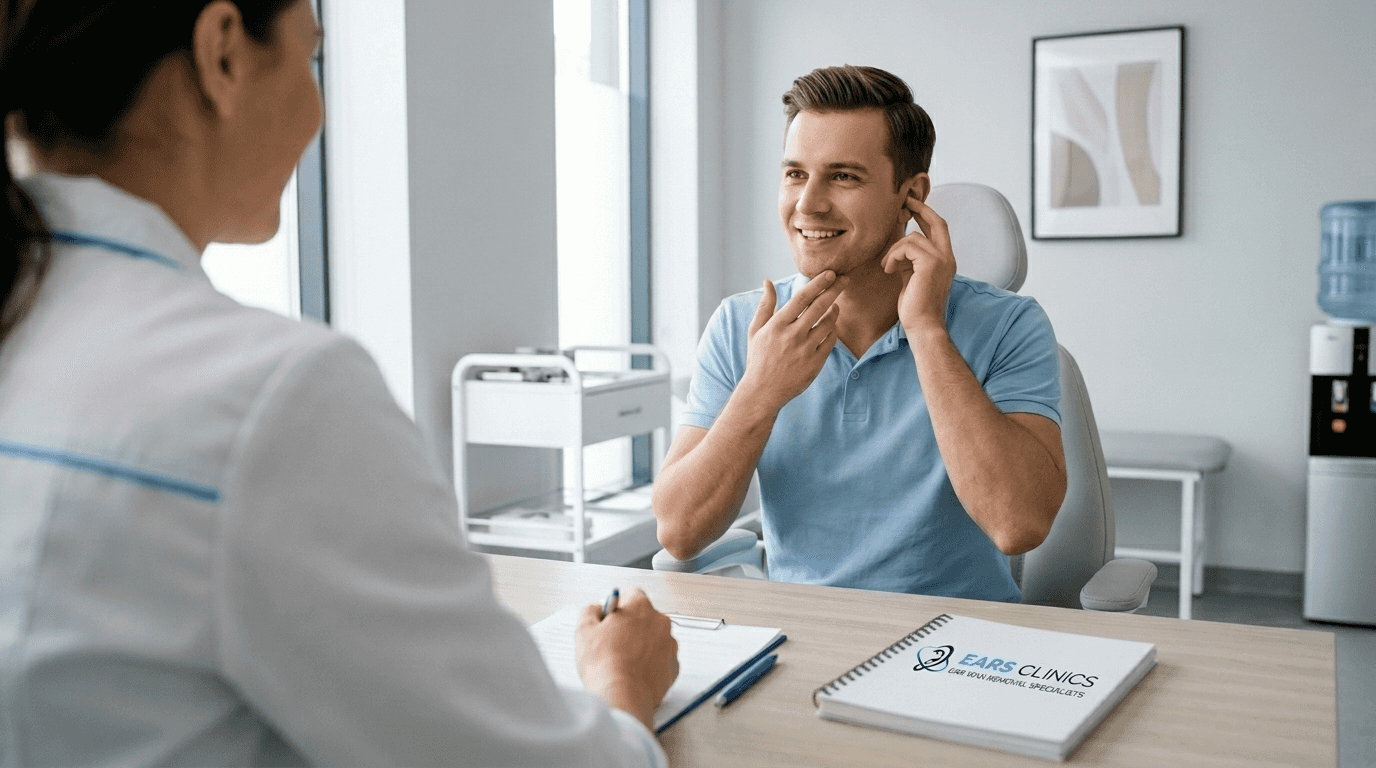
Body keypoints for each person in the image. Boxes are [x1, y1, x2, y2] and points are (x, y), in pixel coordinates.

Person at [0, 1, 677, 765]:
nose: (319, 110)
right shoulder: (273, 397)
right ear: (222, 53)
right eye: (311, 57)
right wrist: (622, 684)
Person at [653, 65, 1068, 602]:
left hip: (961, 644)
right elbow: (680, 535)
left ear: (911, 195)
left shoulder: (1009, 324)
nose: (808, 204)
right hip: (804, 635)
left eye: (843, 176)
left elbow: (1019, 525)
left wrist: (926, 331)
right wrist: (761, 388)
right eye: (795, 173)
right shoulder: (742, 325)